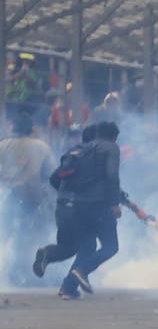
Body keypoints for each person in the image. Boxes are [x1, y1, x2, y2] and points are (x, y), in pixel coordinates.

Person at [57, 122, 123, 299]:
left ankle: (68, 288)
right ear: (114, 137)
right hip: (99, 205)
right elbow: (112, 176)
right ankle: (81, 270)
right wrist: (114, 203)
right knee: (111, 246)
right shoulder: (111, 148)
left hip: (77, 205)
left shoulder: (85, 148)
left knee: (87, 247)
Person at [32, 125, 97, 282]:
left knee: (68, 247)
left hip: (62, 207)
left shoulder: (72, 153)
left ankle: (46, 253)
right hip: (80, 208)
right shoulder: (94, 155)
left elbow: (54, 178)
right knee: (89, 245)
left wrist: (64, 195)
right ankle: (71, 283)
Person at [0, 114, 56, 285]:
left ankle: (10, 270)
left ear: (12, 127)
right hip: (33, 199)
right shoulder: (42, 147)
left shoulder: (3, 145)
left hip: (9, 197)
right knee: (34, 235)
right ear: (32, 129)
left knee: (6, 233)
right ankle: (22, 271)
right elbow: (52, 175)